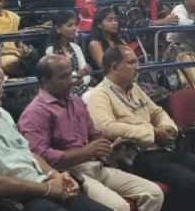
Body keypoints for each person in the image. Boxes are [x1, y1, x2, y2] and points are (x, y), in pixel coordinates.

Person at [0, 62, 113, 211]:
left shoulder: (0, 114)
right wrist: (47, 189)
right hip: (9, 203)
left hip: (38, 189)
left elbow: (27, 152)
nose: (0, 90)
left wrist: (53, 175)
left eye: (0, 83)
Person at [19, 55, 166, 211]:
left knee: (154, 193)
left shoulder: (75, 100)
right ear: (44, 81)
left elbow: (93, 133)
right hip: (68, 173)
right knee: (120, 207)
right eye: (63, 77)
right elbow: (38, 156)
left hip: (95, 165)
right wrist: (86, 152)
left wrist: (108, 146)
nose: (70, 81)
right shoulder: (35, 112)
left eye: (70, 75)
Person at [87, 47, 195, 211]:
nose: (137, 67)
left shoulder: (134, 88)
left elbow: (157, 112)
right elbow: (106, 127)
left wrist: (167, 127)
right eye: (131, 63)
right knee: (189, 183)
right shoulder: (99, 94)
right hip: (134, 157)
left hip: (160, 149)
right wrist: (152, 133)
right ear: (114, 67)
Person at [45, 10, 92, 95]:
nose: (74, 28)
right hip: (62, 92)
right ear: (58, 29)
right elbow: (57, 77)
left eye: (75, 25)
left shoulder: (76, 48)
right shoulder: (51, 51)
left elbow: (86, 74)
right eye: (70, 25)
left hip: (82, 87)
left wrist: (81, 80)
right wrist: (77, 75)